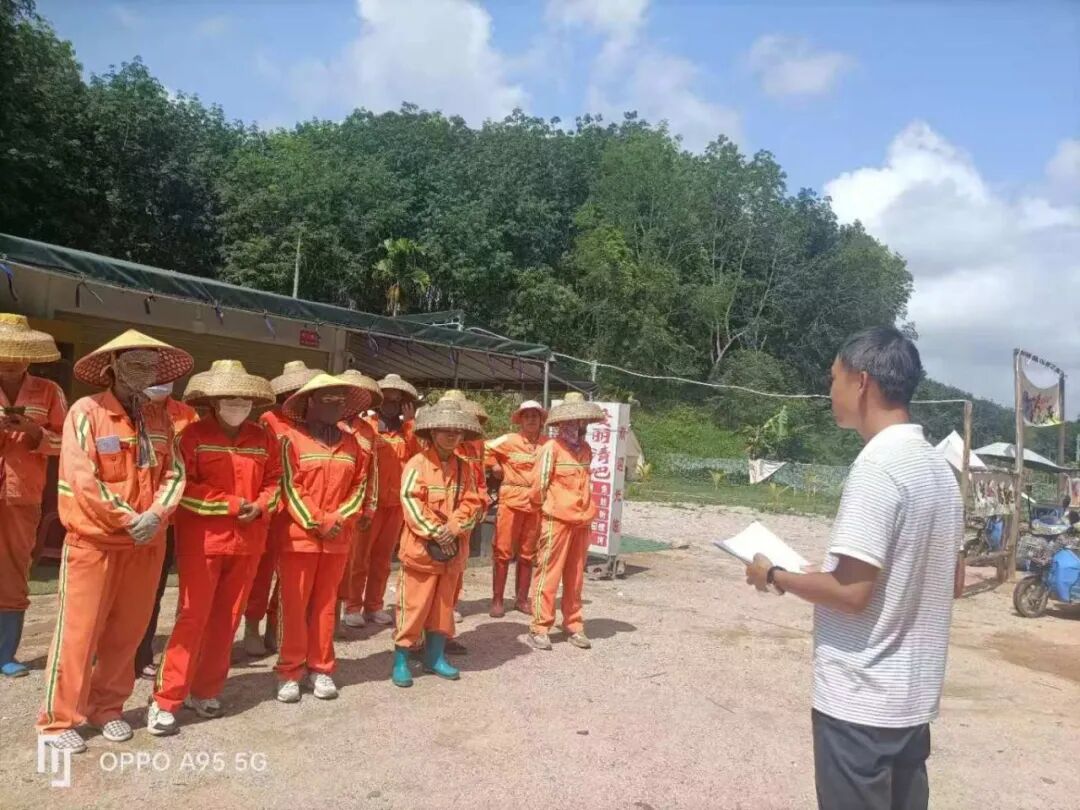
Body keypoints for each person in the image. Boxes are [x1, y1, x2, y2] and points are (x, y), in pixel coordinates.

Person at [743, 327, 962, 810]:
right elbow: (952, 580)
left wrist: (774, 576)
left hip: (861, 703)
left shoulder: (878, 467)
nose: (830, 391)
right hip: (911, 705)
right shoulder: (939, 470)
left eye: (833, 378)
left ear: (861, 382)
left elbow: (851, 592)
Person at [37, 330, 192, 753]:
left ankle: (107, 708)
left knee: (128, 632)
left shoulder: (160, 419)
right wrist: (129, 519)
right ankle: (58, 720)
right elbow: (81, 478)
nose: (146, 372)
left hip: (146, 544)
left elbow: (175, 472)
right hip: (95, 543)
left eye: (151, 366)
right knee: (78, 633)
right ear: (113, 367)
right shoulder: (86, 413)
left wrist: (156, 514)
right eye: (136, 364)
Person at [147, 361, 280, 736]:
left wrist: (262, 505)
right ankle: (166, 699)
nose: (238, 404)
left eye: (243, 399)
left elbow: (275, 480)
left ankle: (205, 691)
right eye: (229, 398)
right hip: (202, 543)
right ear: (213, 401)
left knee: (227, 620)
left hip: (248, 544)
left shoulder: (263, 438)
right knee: (192, 618)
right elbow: (182, 487)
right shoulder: (190, 437)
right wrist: (235, 505)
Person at [273, 373, 374, 703]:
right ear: (310, 403)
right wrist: (317, 521)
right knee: (293, 605)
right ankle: (289, 671)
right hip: (298, 538)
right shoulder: (290, 440)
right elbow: (289, 486)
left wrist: (339, 520)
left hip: (337, 539)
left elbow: (359, 488)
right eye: (327, 399)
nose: (335, 405)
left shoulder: (353, 445)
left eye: (339, 401)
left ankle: (321, 668)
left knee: (326, 606)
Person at [391, 401, 485, 688]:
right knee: (413, 606)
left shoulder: (465, 468)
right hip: (421, 551)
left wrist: (454, 528)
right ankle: (401, 660)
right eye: (445, 430)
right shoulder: (416, 465)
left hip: (452, 553)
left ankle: (435, 657)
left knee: (443, 608)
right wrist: (435, 531)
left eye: (457, 431)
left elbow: (473, 503)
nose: (451, 435)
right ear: (432, 432)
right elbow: (410, 502)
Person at [241, 360, 323, 656]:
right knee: (262, 572)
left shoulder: (313, 423)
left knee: (289, 575)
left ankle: (276, 627)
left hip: (302, 506)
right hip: (275, 506)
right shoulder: (269, 419)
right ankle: (252, 627)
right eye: (294, 390)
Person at [0, 315, 65, 678]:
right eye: (4, 352)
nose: (10, 360)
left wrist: (35, 431)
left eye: (18, 352)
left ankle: (5, 654)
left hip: (22, 494)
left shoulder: (48, 391)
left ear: (30, 355)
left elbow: (67, 442)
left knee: (13, 571)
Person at [341, 372, 420, 629]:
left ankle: (374, 605)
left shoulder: (408, 431)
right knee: (359, 557)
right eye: (387, 398)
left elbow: (419, 456)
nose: (392, 404)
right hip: (371, 503)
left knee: (383, 559)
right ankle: (352, 606)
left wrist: (410, 424)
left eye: (397, 400)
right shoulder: (368, 426)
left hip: (396, 505)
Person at [528, 392, 604, 652]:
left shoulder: (585, 449)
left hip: (582, 521)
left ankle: (573, 624)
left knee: (576, 576)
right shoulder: (551, 448)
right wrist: (547, 510)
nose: (579, 426)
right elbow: (538, 487)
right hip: (556, 520)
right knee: (548, 573)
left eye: (582, 421)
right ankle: (540, 627)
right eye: (574, 421)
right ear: (563, 423)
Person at [134, 381, 199, 680]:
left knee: (154, 589)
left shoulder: (187, 415)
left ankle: (142, 655)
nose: (158, 381)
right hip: (129, 512)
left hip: (169, 517)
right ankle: (111, 654)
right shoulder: (129, 409)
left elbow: (189, 464)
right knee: (119, 591)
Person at [484, 400, 547, 617]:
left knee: (528, 554)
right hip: (510, 502)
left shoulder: (548, 444)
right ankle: (497, 600)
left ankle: (521, 600)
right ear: (520, 420)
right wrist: (494, 464)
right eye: (526, 416)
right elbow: (483, 448)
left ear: (541, 420)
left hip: (535, 504)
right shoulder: (509, 440)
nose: (531, 420)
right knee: (502, 552)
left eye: (535, 416)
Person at [335, 369, 383, 630]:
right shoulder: (325, 423)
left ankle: (337, 617)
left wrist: (370, 506)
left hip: (354, 505)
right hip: (327, 503)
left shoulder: (367, 431)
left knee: (350, 560)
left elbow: (372, 470)